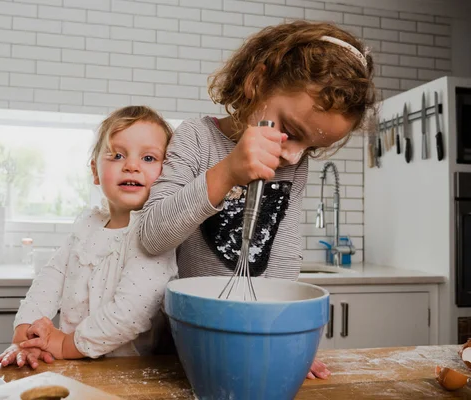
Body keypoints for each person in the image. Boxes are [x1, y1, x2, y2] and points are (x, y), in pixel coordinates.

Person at [139, 21, 376, 380]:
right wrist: (228, 172)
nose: (294, 156)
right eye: (292, 132)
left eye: (311, 146)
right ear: (257, 81)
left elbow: (283, 255)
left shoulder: (293, 168)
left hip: (257, 338)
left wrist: (288, 337)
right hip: (187, 339)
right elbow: (151, 234)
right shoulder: (197, 138)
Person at [0, 105, 177, 369]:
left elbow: (129, 313)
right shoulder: (87, 226)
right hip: (74, 366)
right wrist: (26, 332)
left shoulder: (156, 234)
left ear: (168, 175)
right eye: (117, 155)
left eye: (148, 158)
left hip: (130, 375)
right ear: (95, 171)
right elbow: (50, 279)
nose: (132, 166)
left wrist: (65, 344)